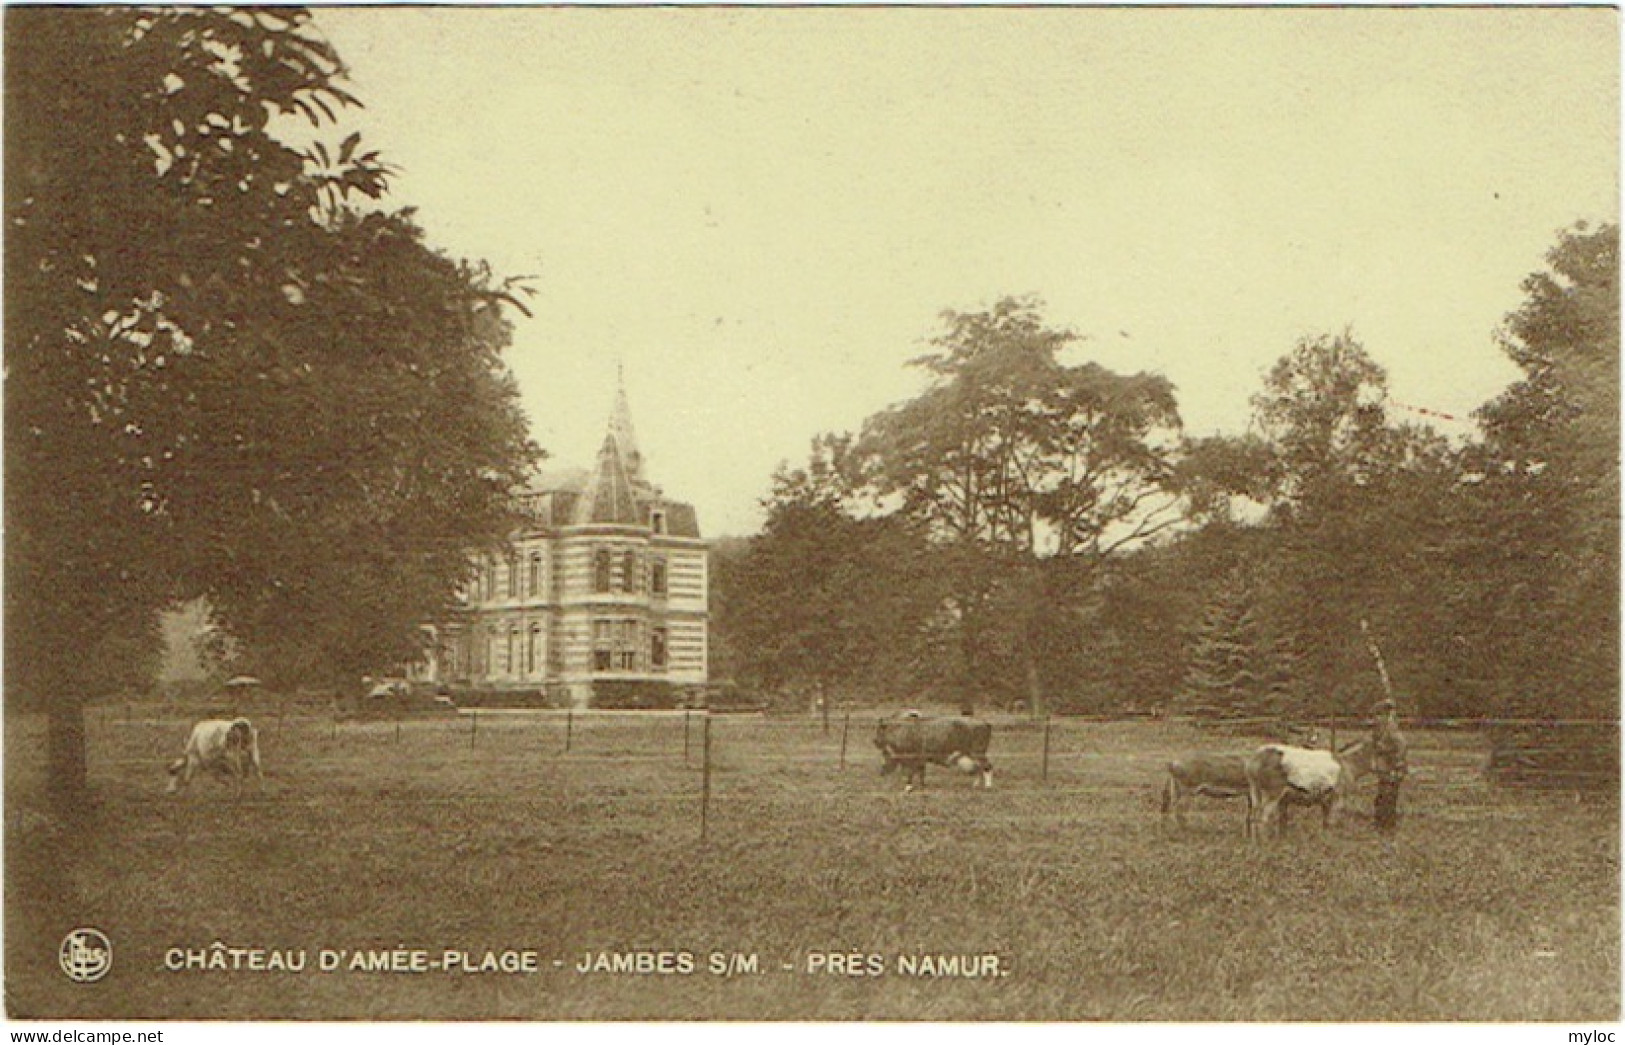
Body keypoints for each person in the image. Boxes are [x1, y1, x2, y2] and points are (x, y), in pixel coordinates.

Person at [1370, 697, 1408, 832]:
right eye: (1376, 715)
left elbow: (1401, 746)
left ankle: (1388, 825)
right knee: (1382, 795)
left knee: (1389, 795)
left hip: (1392, 766)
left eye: (1379, 715)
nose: (1376, 718)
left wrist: (1398, 763)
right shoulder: (1378, 730)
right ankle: (1380, 822)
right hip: (1383, 767)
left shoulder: (1391, 729)